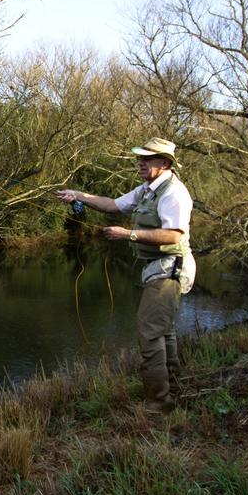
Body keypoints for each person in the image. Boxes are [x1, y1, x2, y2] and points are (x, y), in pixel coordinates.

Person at [56, 137, 196, 412]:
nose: (140, 163)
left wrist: (127, 234)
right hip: (158, 268)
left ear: (164, 163)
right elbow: (112, 205)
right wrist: (78, 195)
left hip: (171, 268)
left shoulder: (174, 193)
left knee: (149, 331)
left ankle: (159, 404)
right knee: (163, 330)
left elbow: (173, 234)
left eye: (146, 158)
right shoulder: (147, 189)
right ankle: (173, 383)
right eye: (139, 158)